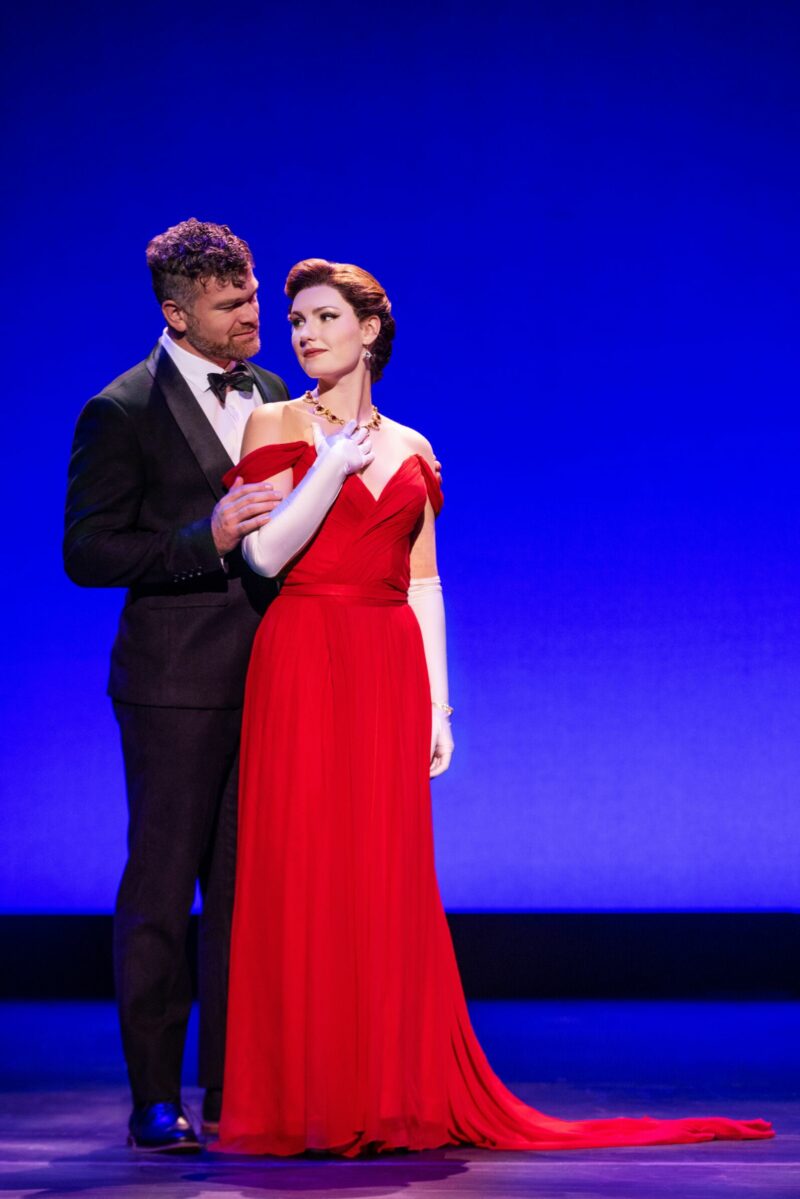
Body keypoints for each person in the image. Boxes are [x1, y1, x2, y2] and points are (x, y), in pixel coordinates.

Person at [215, 258, 773, 1155]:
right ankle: (308, 1095)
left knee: (380, 875)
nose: (304, 334)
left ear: (370, 332)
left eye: (323, 318)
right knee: (303, 867)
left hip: (384, 661)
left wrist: (440, 706)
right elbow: (264, 559)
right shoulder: (272, 421)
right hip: (301, 656)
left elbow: (424, 583)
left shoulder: (412, 448)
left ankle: (384, 1089)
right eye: (295, 320)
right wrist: (327, 471)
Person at [63, 219, 290, 1153]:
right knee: (163, 888)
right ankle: (155, 1096)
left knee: (245, 893)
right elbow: (86, 550)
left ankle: (238, 1087)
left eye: (250, 296)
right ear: (176, 312)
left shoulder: (275, 394)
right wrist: (210, 538)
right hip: (173, 686)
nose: (251, 315)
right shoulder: (121, 411)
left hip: (273, 677)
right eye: (230, 303)